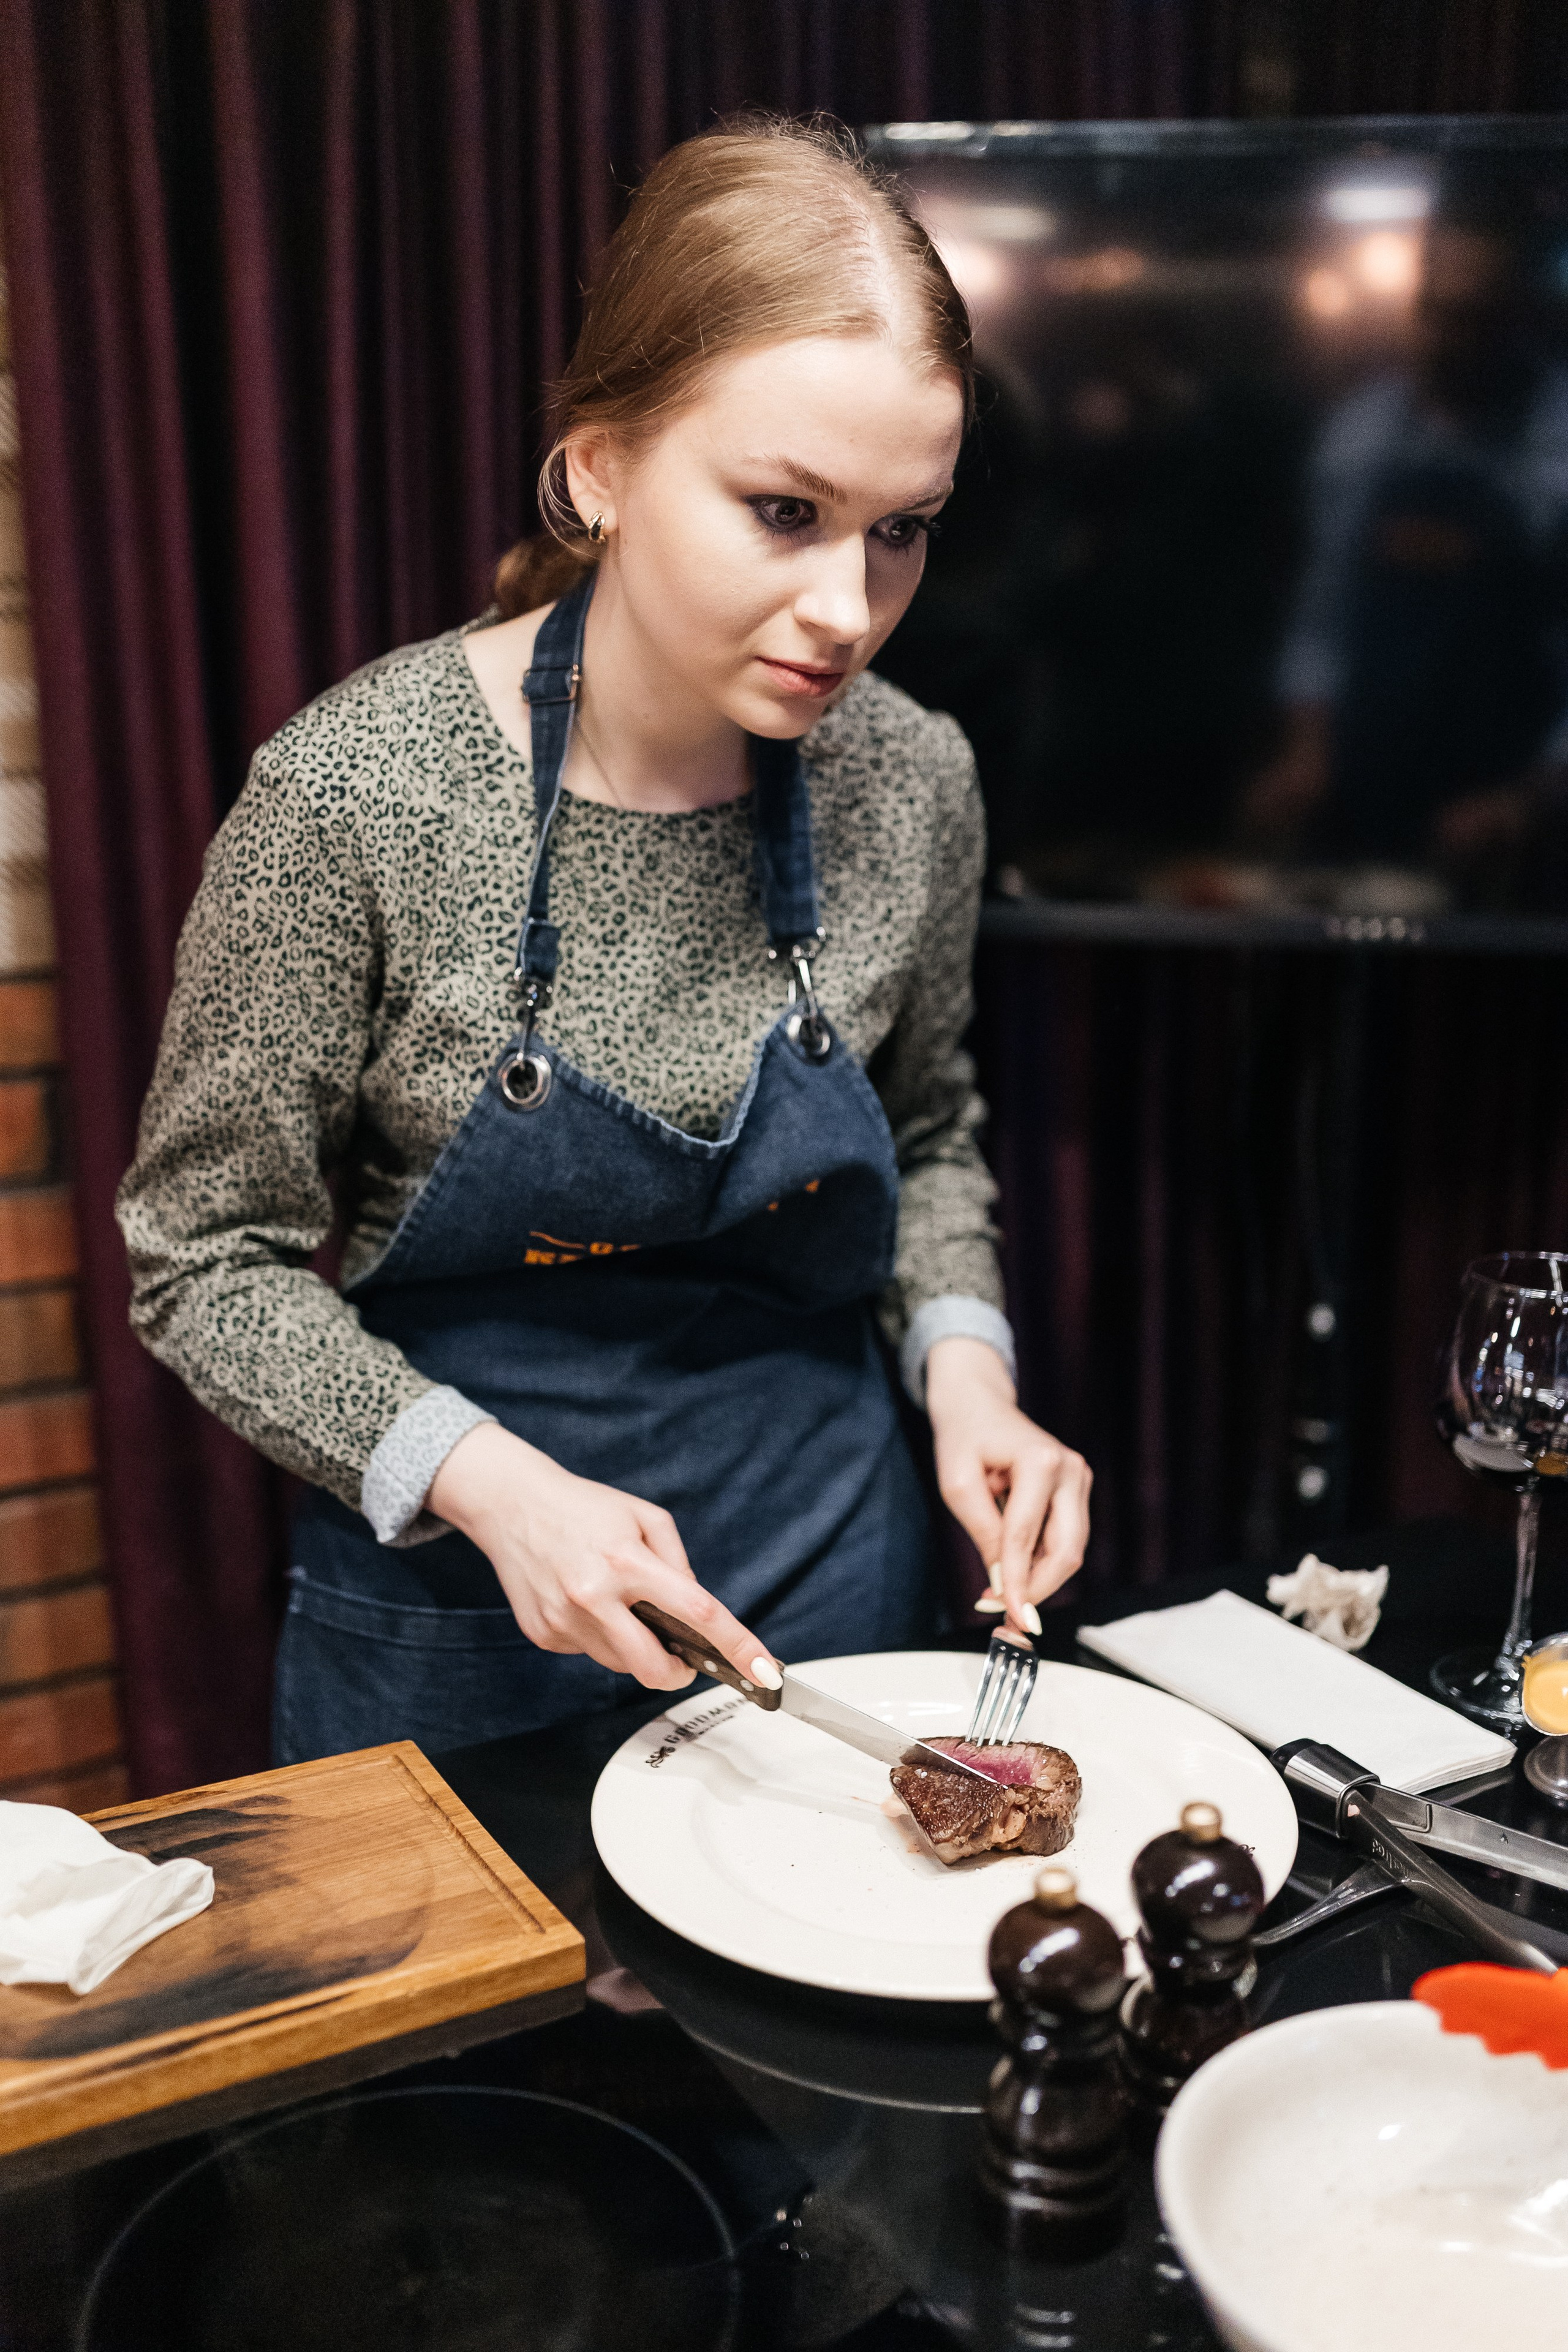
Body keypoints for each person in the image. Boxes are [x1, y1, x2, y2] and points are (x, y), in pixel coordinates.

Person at [118, 118, 1091, 1766]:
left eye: (901, 529)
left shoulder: (910, 775)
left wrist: (968, 1374)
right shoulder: (359, 799)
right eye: (784, 510)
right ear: (598, 471)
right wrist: (488, 1486)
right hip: (463, 1612)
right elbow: (199, 1261)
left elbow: (928, 1135)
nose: (849, 608)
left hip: (821, 1579)